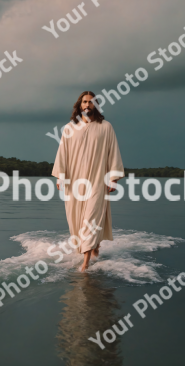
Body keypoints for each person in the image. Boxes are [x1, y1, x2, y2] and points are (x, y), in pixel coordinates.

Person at [52, 91, 124, 272]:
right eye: (84, 102)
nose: (87, 105)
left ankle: (85, 263)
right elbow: (63, 154)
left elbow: (113, 152)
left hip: (98, 180)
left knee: (91, 217)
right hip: (74, 182)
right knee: (76, 219)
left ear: (96, 105)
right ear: (79, 105)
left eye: (91, 102)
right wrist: (61, 175)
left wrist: (113, 178)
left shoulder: (106, 127)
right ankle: (94, 246)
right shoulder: (69, 128)